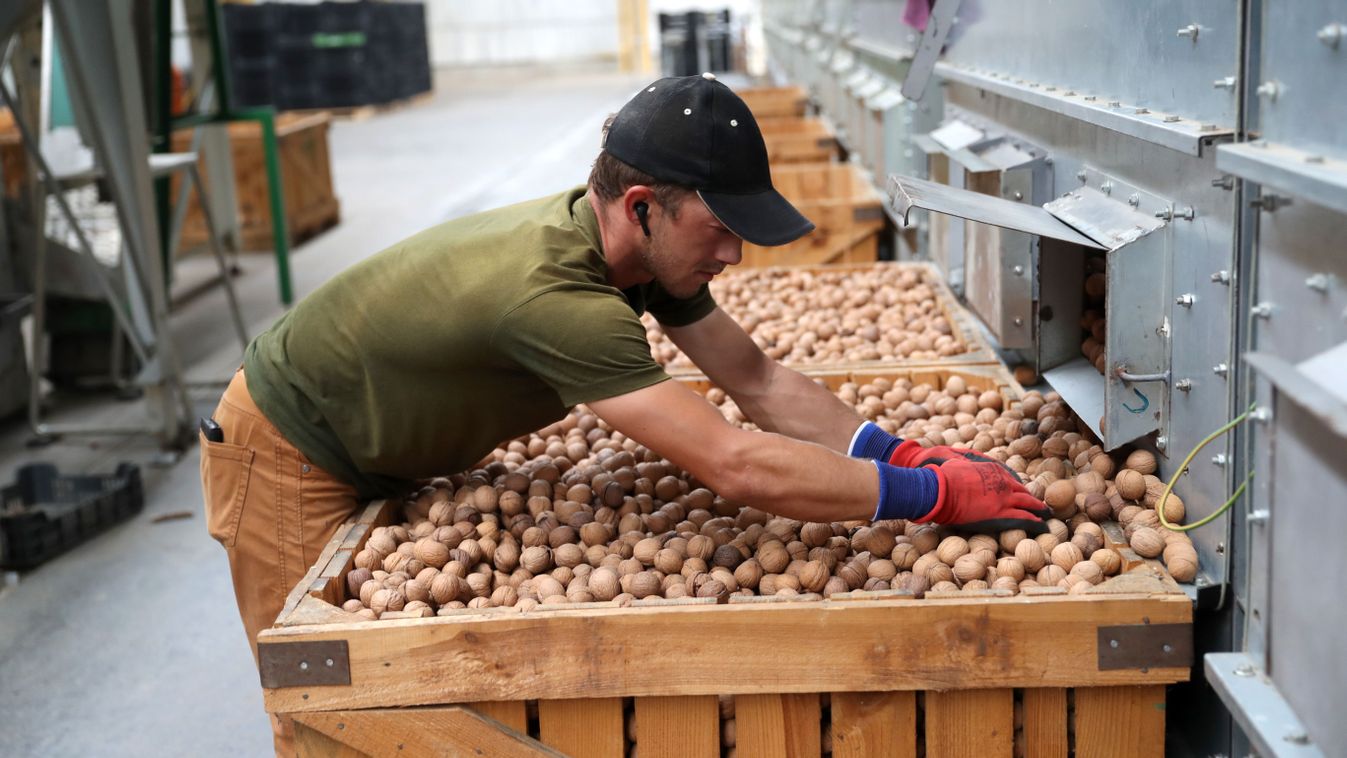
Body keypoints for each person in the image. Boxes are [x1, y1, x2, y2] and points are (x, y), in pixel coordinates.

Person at [200, 73, 1048, 753]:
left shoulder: (632, 258)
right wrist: (925, 501)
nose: (733, 253)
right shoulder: (563, 301)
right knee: (327, 710)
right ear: (642, 205)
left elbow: (754, 379)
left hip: (379, 440)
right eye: (718, 228)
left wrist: (901, 454)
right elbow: (732, 462)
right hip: (292, 447)